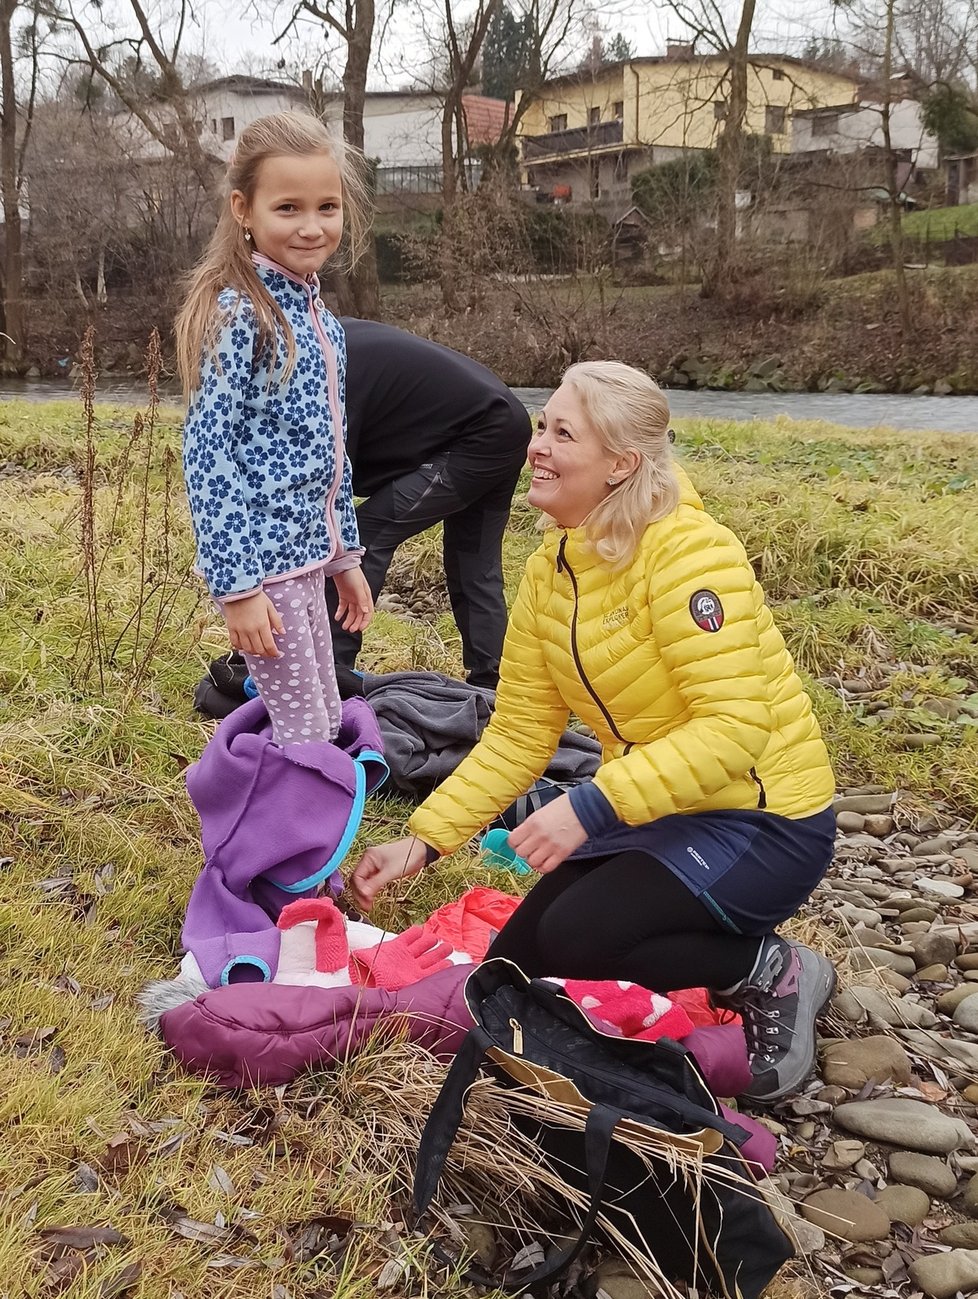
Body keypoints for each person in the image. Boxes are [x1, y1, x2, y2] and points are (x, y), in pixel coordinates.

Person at [351, 360, 838, 1105]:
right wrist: (424, 838)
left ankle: (768, 969)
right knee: (512, 968)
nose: (536, 445)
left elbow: (737, 728)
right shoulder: (555, 565)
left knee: (582, 937)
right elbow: (518, 732)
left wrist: (589, 806)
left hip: (764, 819)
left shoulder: (690, 555)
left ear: (621, 464)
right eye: (541, 425)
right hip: (658, 807)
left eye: (561, 432)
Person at [176, 111, 374, 746]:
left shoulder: (322, 320)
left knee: (326, 713)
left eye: (327, 206)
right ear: (244, 208)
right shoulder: (242, 316)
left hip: (308, 560)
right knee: (303, 730)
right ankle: (281, 837)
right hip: (262, 566)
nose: (312, 226)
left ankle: (304, 821)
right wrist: (237, 588)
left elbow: (331, 456)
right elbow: (208, 457)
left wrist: (343, 557)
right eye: (288, 207)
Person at [332, 319, 532, 689]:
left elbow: (331, 475)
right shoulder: (335, 336)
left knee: (362, 536)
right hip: (505, 423)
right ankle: (496, 686)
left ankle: (330, 667)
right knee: (475, 562)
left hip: (482, 433)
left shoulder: (325, 360)